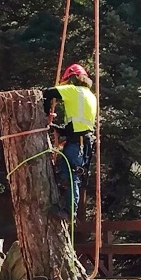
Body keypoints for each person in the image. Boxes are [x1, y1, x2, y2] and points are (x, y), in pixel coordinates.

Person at [43, 63, 97, 221]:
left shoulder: (74, 91)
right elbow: (80, 125)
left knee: (71, 174)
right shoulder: (90, 95)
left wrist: (46, 113)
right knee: (71, 174)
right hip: (83, 141)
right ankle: (66, 207)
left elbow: (48, 92)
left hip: (77, 143)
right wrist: (60, 129)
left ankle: (69, 212)